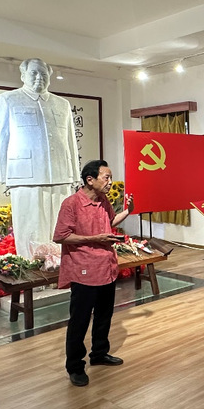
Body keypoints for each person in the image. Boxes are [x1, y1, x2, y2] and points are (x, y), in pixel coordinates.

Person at [0, 58, 80, 258]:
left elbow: (70, 139)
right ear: (23, 75)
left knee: (61, 225)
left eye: (43, 74)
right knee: (30, 225)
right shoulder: (9, 99)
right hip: (25, 177)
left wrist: (74, 174)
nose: (39, 78)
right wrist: (6, 173)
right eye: (33, 73)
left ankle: (61, 266)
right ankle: (31, 267)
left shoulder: (62, 104)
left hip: (61, 175)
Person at [53, 159, 134, 387]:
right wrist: (95, 238)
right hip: (84, 269)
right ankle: (75, 366)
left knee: (104, 315)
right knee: (79, 320)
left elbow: (110, 220)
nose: (110, 182)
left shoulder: (103, 200)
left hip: (106, 267)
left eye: (110, 178)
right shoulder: (71, 204)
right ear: (90, 180)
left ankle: (99, 353)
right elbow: (60, 236)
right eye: (106, 177)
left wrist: (128, 211)